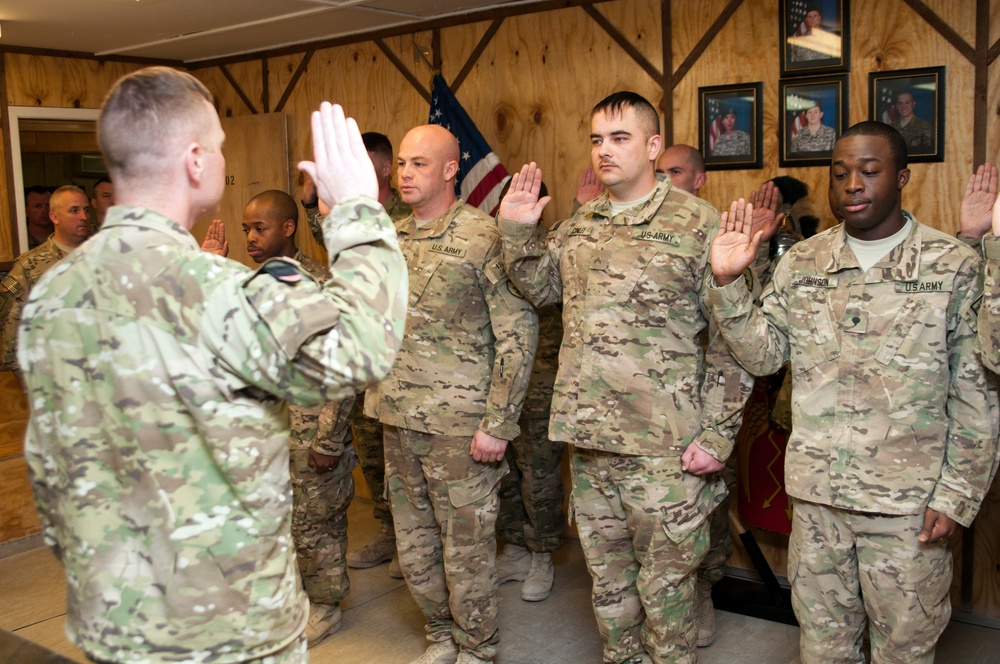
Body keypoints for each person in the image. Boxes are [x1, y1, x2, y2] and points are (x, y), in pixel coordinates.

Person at [18, 66, 407, 664]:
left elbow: (48, 462)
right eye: (222, 148)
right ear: (196, 160)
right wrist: (357, 207)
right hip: (227, 629)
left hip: (112, 618)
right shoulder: (218, 290)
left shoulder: (53, 292)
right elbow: (362, 348)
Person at [708, 121, 999, 664]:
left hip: (908, 507)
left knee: (904, 651)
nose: (852, 185)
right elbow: (764, 355)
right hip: (819, 503)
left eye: (869, 170)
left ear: (903, 176)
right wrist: (728, 285)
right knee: (823, 648)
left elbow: (975, 391)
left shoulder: (951, 265)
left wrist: (957, 495)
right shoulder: (802, 263)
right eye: (840, 173)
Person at [499, 91, 754, 663]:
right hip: (591, 448)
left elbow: (733, 341)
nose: (604, 152)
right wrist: (517, 233)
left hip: (665, 450)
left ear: (653, 145)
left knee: (667, 598)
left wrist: (717, 436)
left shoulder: (697, 223)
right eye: (596, 139)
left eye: (619, 138)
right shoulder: (580, 224)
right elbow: (541, 292)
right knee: (611, 596)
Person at [365, 123, 537, 664]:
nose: (405, 173)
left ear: (448, 170)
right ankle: (441, 634)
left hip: (461, 429)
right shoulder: (390, 236)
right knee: (415, 553)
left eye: (419, 163)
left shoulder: (482, 237)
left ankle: (478, 649)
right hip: (397, 418)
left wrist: (498, 423)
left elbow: (518, 333)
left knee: (466, 553)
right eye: (402, 164)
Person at [241, 188, 359, 646]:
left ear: (288, 229)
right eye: (247, 227)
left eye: (260, 228)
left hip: (309, 427)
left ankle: (325, 605)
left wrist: (329, 440)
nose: (250, 236)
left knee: (316, 522)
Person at [304, 131, 410, 578]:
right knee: (372, 453)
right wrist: (312, 201)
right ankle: (390, 532)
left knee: (406, 467)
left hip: (405, 362)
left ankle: (413, 545)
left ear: (384, 168)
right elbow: (328, 235)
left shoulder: (406, 215)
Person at [494, 178, 565, 604]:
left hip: (542, 385)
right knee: (503, 475)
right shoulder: (494, 251)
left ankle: (542, 555)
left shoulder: (550, 253)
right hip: (500, 388)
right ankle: (516, 549)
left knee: (539, 478)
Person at [1, 185, 90, 381]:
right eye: (74, 210)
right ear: (54, 217)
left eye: (86, 210)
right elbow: (11, 333)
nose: (83, 216)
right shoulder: (30, 268)